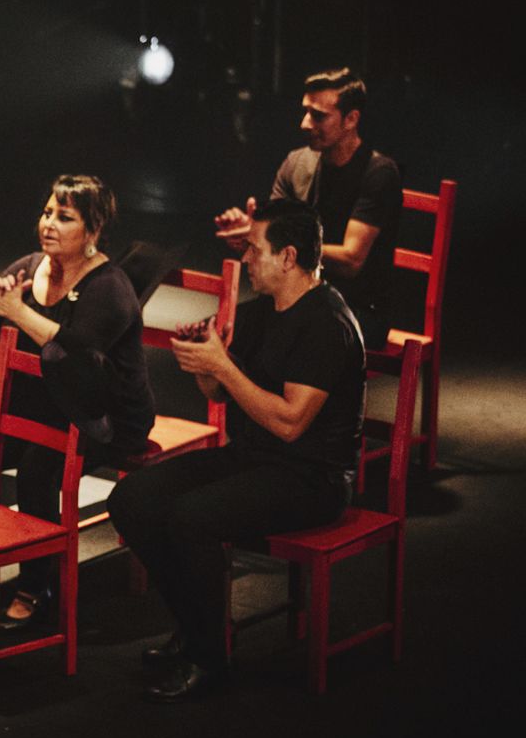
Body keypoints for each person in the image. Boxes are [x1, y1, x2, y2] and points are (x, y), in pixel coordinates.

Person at [109, 199, 366, 702]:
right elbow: (220, 395)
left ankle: (210, 658)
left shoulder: (327, 325)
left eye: (254, 249)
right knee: (133, 499)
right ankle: (195, 624)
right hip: (254, 458)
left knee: (192, 518)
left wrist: (223, 367)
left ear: (288, 257)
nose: (246, 259)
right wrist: (205, 362)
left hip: (310, 478)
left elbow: (291, 424)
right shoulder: (258, 313)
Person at [0, 175, 155, 627]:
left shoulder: (109, 286)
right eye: (48, 213)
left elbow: (77, 357)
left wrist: (18, 311)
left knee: (36, 468)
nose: (49, 224)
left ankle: (36, 583)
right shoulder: (33, 264)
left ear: (92, 231)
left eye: (64, 218)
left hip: (101, 412)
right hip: (44, 399)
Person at [214, 67, 400, 348]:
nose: (305, 123)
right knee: (222, 331)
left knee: (289, 336)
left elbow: (351, 260)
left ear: (351, 119)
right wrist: (250, 232)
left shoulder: (378, 173)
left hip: (357, 309)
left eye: (319, 116)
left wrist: (281, 242)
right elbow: (272, 244)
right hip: (296, 298)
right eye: (306, 112)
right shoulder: (297, 163)